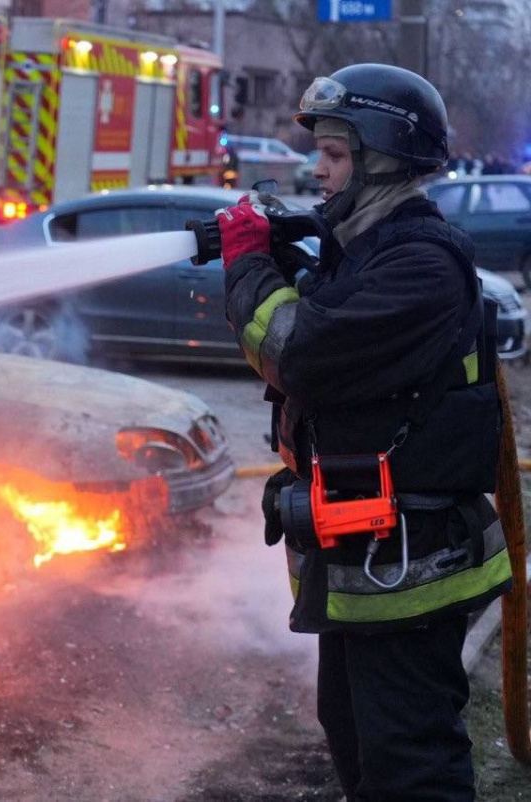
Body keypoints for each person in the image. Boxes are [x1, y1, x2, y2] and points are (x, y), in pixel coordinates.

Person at [216, 64, 513, 800]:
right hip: (364, 561)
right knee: (354, 739)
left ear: (384, 158)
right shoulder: (364, 250)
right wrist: (287, 251)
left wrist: (250, 265)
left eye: (336, 154)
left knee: (409, 763)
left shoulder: (421, 265)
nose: (316, 169)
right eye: (320, 152)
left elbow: (297, 352)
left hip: (411, 569)